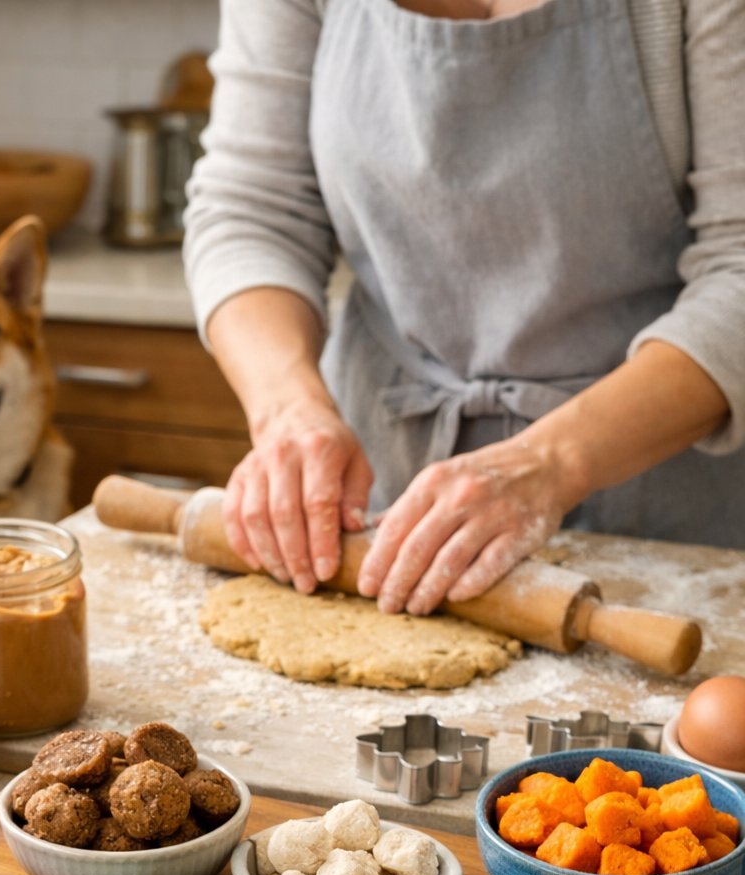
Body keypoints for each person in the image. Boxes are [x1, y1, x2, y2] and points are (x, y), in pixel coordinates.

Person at [183, 0, 745, 616]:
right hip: (382, 503)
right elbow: (253, 207)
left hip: (668, 512)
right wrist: (289, 411)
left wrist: (551, 460)